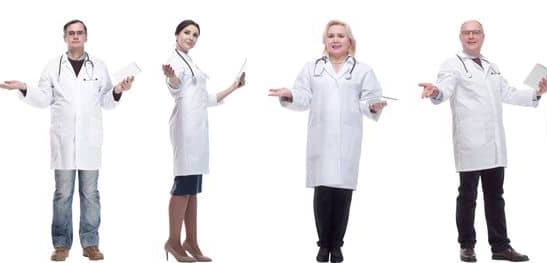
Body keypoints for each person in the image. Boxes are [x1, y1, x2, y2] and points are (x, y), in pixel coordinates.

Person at [0, 19, 135, 262]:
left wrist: (118, 91)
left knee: (90, 194)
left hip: (90, 141)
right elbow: (42, 98)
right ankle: (61, 245)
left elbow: (106, 101)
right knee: (62, 194)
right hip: (63, 142)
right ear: (65, 37)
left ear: (86, 36)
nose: (76, 36)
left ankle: (90, 243)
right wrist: (25, 87)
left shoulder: (99, 66)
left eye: (80, 33)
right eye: (71, 33)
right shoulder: (52, 67)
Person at [418, 20, 545, 263]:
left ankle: (500, 247)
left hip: (495, 144)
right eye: (466, 33)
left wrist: (536, 92)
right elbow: (443, 89)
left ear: (483, 36)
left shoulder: (492, 66)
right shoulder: (452, 64)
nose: (471, 36)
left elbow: (507, 93)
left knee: (496, 196)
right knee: (467, 196)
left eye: (475, 32)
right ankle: (467, 246)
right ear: (460, 37)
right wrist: (435, 92)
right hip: (470, 143)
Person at [266, 20, 388, 263]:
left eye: (340, 36)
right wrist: (290, 94)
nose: (335, 39)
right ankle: (324, 245)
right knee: (322, 194)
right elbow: (302, 97)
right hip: (321, 139)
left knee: (342, 195)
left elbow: (369, 99)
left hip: (347, 139)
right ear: (324, 41)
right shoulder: (312, 68)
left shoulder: (362, 70)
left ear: (349, 41)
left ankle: (337, 245)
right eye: (331, 35)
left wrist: (373, 105)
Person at [160, 19, 246, 263]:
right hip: (185, 130)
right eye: (187, 32)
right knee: (183, 184)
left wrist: (234, 87)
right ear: (176, 34)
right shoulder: (173, 61)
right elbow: (175, 84)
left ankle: (192, 241)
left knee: (193, 189)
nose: (191, 37)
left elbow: (204, 98)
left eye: (195, 34)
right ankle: (173, 241)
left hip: (198, 130)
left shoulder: (191, 61)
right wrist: (171, 78)